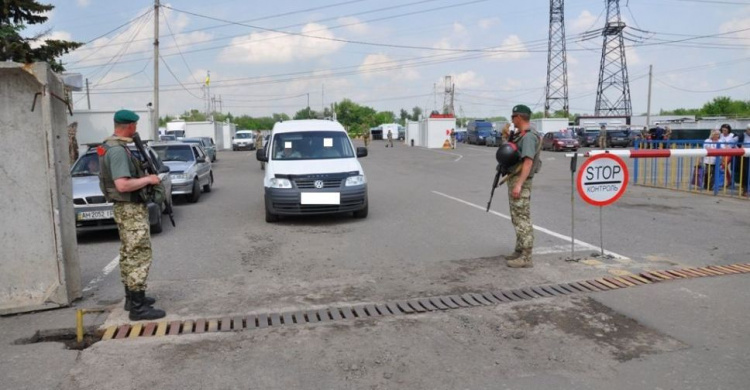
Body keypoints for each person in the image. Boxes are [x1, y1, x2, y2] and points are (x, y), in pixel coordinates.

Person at [98, 109, 166, 321]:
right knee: (139, 254)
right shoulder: (117, 151)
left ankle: (132, 298)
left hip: (125, 208)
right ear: (129, 126)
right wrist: (149, 180)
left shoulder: (109, 145)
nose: (136, 129)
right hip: (130, 208)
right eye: (135, 125)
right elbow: (123, 184)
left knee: (128, 253)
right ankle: (138, 308)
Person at [503, 104, 542, 268]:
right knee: (516, 216)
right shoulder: (522, 135)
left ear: (518, 117)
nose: (512, 120)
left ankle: (526, 257)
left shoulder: (528, 137)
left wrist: (519, 185)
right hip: (516, 179)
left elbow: (528, 162)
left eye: (513, 117)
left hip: (521, 180)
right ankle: (519, 250)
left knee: (522, 219)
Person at [736, 124, 750, 196]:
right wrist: (739, 149)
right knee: (745, 174)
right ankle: (745, 190)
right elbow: (733, 144)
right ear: (746, 129)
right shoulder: (741, 136)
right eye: (749, 129)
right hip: (744, 157)